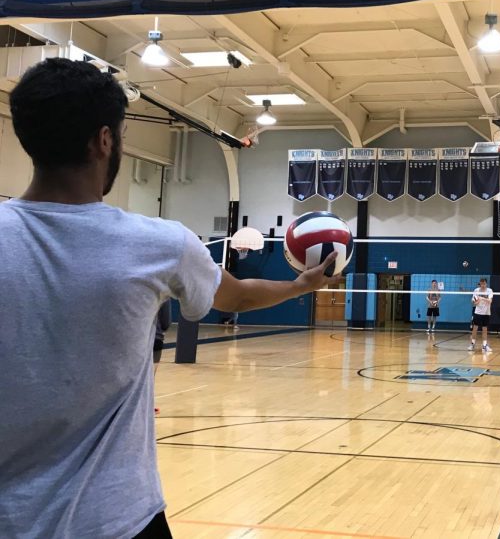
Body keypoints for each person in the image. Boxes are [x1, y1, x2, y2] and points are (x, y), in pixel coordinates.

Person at [0, 58, 341, 539]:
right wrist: (301, 286)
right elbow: (237, 297)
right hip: (118, 520)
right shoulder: (160, 243)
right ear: (104, 140)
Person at [153, 301, 171, 416]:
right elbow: (165, 322)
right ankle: (148, 405)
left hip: (130, 339)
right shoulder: (162, 287)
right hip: (155, 338)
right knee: (149, 376)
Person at [469, 277, 493, 352]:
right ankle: (472, 344)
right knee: (475, 328)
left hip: (486, 313)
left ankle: (484, 345)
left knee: (484, 329)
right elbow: (473, 302)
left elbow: (490, 301)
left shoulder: (489, 291)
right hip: (478, 312)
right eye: (481, 283)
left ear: (486, 284)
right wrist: (476, 302)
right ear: (480, 283)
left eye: (484, 283)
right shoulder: (476, 290)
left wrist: (482, 298)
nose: (482, 285)